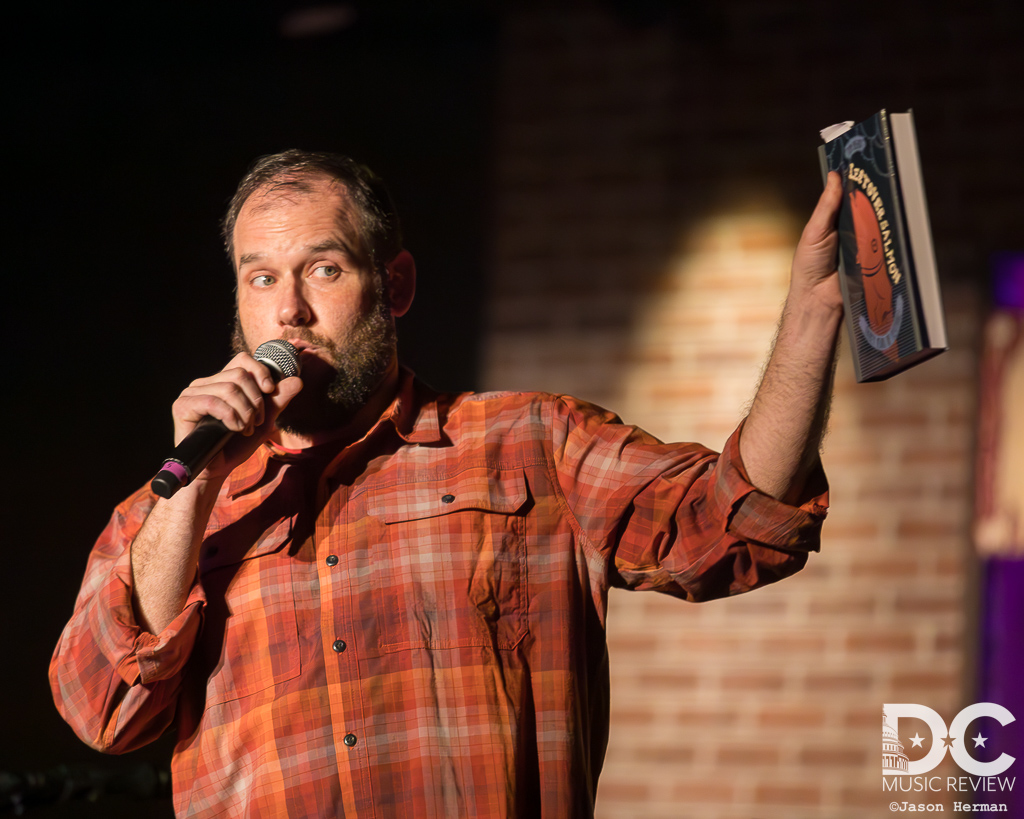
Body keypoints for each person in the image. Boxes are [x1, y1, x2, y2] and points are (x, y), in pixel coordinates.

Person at [51, 150, 844, 818]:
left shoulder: (529, 443)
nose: (288, 310)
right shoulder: (165, 510)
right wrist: (192, 489)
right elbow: (103, 711)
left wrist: (812, 317)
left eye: (322, 268)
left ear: (393, 285)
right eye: (260, 279)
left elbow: (737, 521)